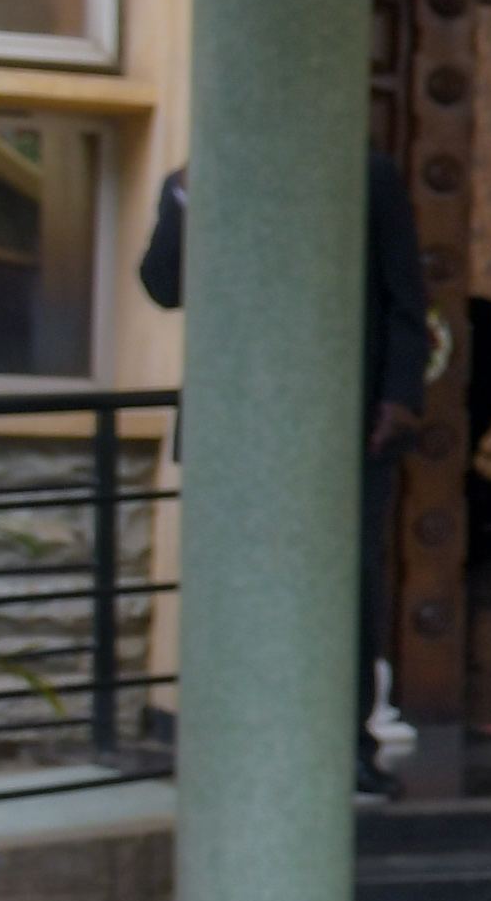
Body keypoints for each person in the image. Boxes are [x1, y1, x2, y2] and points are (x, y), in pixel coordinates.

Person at [138, 150, 430, 784]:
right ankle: (236, 745)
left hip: (345, 421)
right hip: (236, 428)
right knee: (235, 586)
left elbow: (405, 294)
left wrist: (401, 396)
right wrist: (187, 199)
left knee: (347, 584)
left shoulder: (367, 173)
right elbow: (163, 287)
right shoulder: (191, 183)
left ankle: (349, 749)